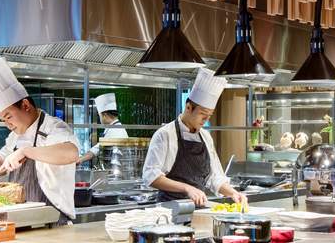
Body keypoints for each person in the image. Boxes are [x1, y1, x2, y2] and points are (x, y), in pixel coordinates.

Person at [0, 58, 80, 221]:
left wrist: (26, 151)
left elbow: (71, 154)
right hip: (20, 219)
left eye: (9, 117)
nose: (8, 125)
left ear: (25, 105)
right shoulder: (15, 136)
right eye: (3, 120)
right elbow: (2, 166)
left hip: (53, 221)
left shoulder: (54, 127)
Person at [142, 67, 247, 208]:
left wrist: (233, 193)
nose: (205, 120)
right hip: (169, 210)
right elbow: (151, 176)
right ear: (188, 107)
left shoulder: (205, 136)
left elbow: (214, 177)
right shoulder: (165, 134)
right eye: (203, 114)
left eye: (209, 116)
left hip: (198, 209)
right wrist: (187, 188)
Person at [81, 93, 130, 164]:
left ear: (105, 115)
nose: (100, 119)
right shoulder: (113, 128)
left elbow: (97, 149)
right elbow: (97, 148)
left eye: (99, 116)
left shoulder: (116, 130)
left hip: (116, 168)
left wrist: (80, 159)